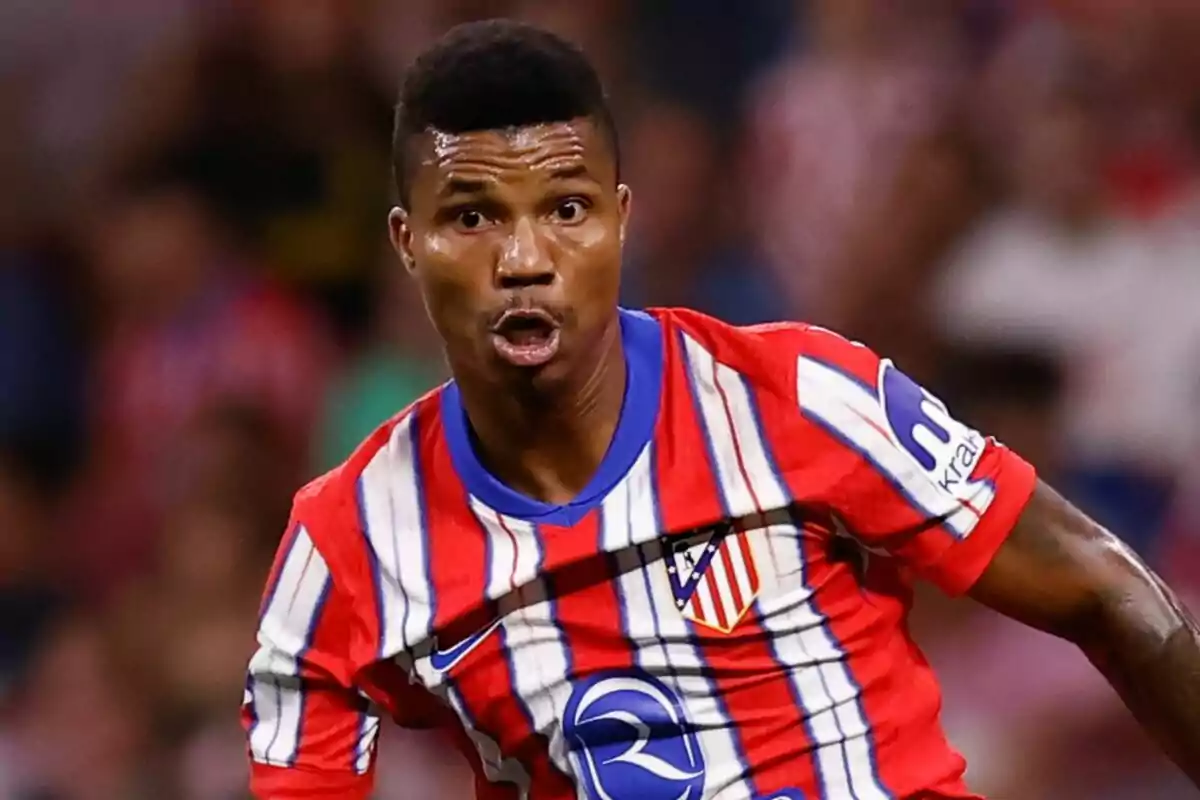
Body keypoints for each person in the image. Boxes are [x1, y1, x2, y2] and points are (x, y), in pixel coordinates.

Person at [241, 19, 1200, 800]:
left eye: (566, 209)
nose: (524, 258)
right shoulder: (345, 547)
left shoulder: (797, 397)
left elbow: (1105, 591)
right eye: (472, 217)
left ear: (623, 217)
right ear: (408, 244)